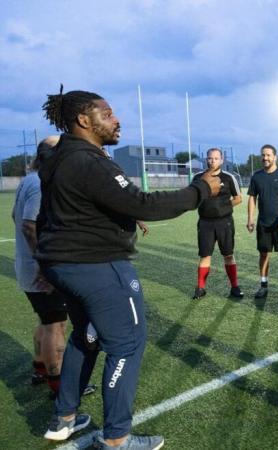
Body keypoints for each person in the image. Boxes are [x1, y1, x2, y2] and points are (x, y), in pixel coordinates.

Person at [37, 87, 220, 449]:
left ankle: (65, 417)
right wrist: (199, 189)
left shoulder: (57, 158)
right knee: (126, 344)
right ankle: (117, 438)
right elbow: (144, 204)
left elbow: (65, 212)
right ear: (83, 120)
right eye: (106, 114)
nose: (116, 119)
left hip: (62, 265)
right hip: (95, 265)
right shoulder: (90, 160)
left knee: (85, 335)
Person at [13, 136, 68, 397]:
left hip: (29, 267)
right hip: (40, 270)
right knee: (56, 326)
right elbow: (27, 224)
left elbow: (16, 216)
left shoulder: (28, 179)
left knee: (47, 322)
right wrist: (44, 264)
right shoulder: (39, 183)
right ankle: (59, 386)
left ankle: (40, 368)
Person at [192, 147, 243, 300]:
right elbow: (192, 197)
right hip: (205, 223)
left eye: (215, 158)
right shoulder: (197, 177)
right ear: (206, 160)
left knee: (228, 254)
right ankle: (200, 288)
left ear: (221, 160)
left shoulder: (228, 177)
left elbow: (238, 198)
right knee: (205, 255)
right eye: (209, 158)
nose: (212, 161)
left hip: (224, 222)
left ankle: (234, 287)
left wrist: (223, 207)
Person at [247, 144, 278, 299]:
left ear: (275, 157)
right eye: (263, 155)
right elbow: (252, 198)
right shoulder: (257, 176)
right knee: (263, 255)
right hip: (264, 223)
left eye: (268, 155)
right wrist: (250, 218)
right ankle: (263, 285)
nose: (265, 158)